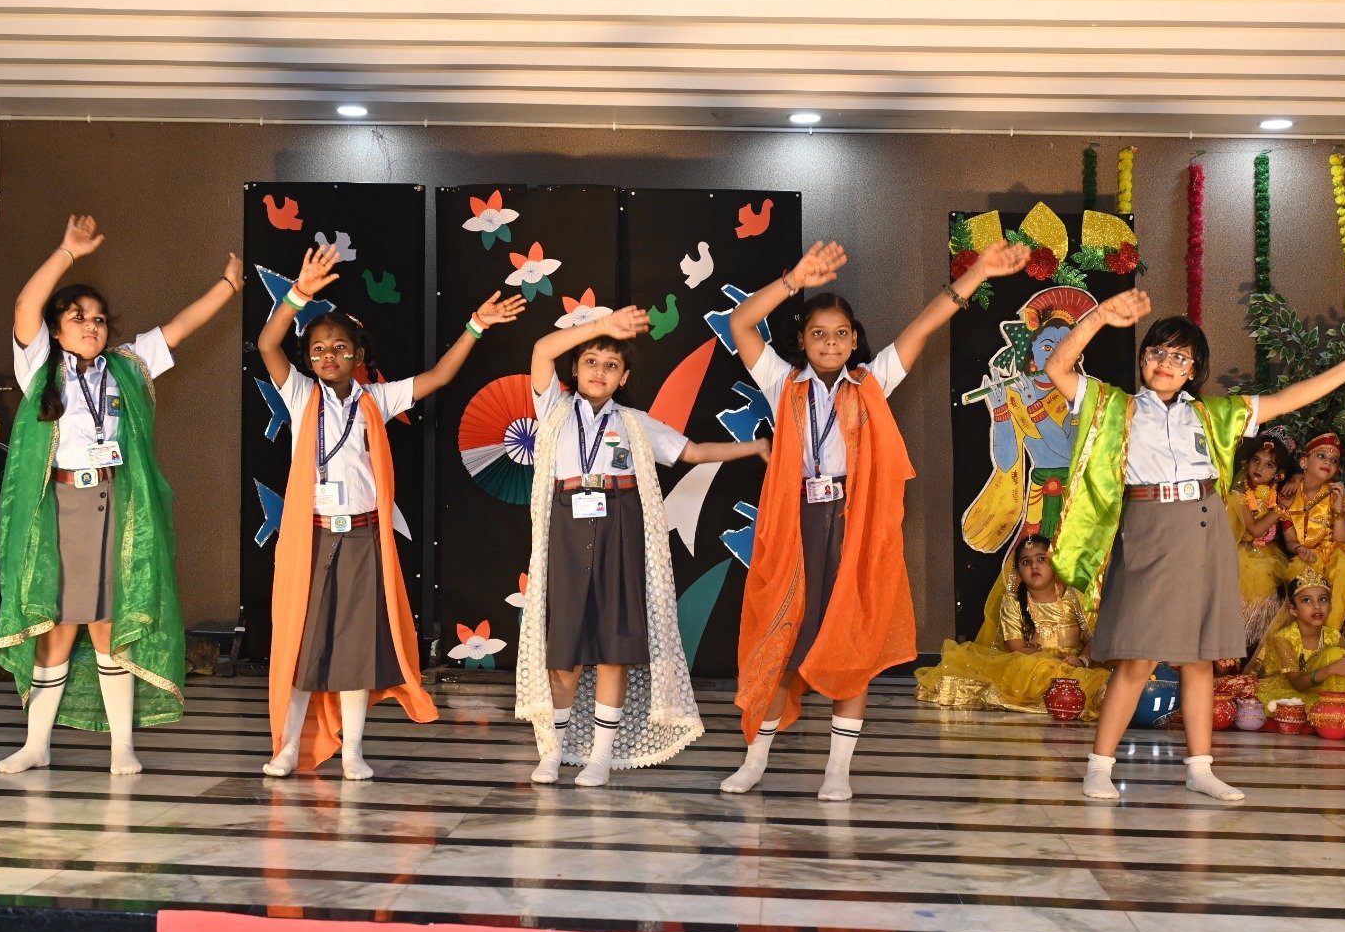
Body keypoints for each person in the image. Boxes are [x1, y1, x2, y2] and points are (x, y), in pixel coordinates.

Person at [721, 238, 1032, 801]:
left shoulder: (872, 382)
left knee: (855, 643)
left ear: (854, 339)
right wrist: (794, 281)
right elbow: (741, 323)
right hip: (794, 529)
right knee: (782, 641)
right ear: (800, 339)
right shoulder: (781, 383)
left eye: (841, 333)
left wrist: (978, 272)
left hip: (855, 526)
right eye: (819, 333)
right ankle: (755, 760)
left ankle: (837, 770)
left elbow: (924, 325)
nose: (830, 342)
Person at [1047, 293, 1345, 802]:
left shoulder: (1214, 414)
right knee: (1138, 657)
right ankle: (1099, 766)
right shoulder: (1113, 406)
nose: (1165, 362)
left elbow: (1284, 399)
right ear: (1142, 359)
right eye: (1157, 351)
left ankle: (1200, 768)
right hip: (1149, 527)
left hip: (1206, 529)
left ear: (1194, 370)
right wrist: (1099, 317)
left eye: (1179, 356)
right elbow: (1056, 367)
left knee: (1200, 658)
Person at [261, 245, 526, 779]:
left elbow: (440, 376)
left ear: (358, 355)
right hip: (312, 537)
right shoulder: (300, 395)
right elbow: (269, 343)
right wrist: (298, 295)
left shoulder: (376, 401)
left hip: (362, 538)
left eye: (340, 348)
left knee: (356, 646)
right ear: (308, 359)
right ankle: (289, 746)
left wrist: (476, 325)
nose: (328, 356)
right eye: (318, 349)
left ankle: (353, 750)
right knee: (301, 641)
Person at [0, 214, 241, 774]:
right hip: (57, 512)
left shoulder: (127, 366)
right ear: (57, 331)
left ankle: (121, 746)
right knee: (56, 628)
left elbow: (179, 328)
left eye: (99, 319)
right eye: (77, 317)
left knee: (111, 626)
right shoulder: (38, 367)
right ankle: (36, 745)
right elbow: (25, 306)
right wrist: (66, 252)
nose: (90, 326)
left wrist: (228, 286)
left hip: (115, 510)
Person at [516, 308, 769, 787]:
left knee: (614, 648)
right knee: (563, 653)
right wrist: (602, 327)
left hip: (619, 532)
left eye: (611, 365)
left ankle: (600, 758)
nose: (599, 371)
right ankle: (552, 752)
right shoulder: (553, 409)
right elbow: (542, 350)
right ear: (575, 370)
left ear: (624, 377)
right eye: (591, 361)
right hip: (566, 532)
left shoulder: (634, 423)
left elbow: (691, 452)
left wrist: (753, 448)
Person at [915, 533, 1110, 718]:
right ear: (1018, 571)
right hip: (1033, 667)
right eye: (1026, 562)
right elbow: (1017, 646)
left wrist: (1081, 661)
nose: (1034, 566)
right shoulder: (1013, 601)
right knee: (1032, 671)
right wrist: (1051, 662)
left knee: (1103, 687)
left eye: (1042, 559)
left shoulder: (1074, 596)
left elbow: (1095, 638)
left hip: (1074, 666)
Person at [1246, 572, 1345, 714]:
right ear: (1293, 610)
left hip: (1321, 693)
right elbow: (1298, 684)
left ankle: (1336, 710)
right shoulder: (1283, 638)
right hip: (1290, 693)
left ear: (1330, 606)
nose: (1317, 606)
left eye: (1322, 599)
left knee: (1337, 654)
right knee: (1335, 655)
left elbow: (1343, 675)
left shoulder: (1334, 636)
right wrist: (1332, 669)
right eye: (1306, 600)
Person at [1278, 432, 1345, 633]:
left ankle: (1331, 634)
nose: (1328, 463)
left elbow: (1341, 541)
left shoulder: (1335, 493)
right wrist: (1299, 549)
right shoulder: (1289, 492)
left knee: (1344, 563)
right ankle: (1302, 636)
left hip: (1337, 549)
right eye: (1321, 456)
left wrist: (1339, 506)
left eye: (1334, 460)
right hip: (1306, 552)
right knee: (1299, 570)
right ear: (1304, 462)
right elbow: (1290, 538)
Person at [1225, 434, 1295, 651]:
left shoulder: (1274, 492)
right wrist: (1280, 509)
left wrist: (1296, 478)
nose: (1259, 468)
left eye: (1269, 465)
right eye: (1256, 460)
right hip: (1244, 556)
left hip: (1269, 555)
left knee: (1267, 611)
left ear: (1278, 473)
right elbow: (1255, 530)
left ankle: (1256, 655)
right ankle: (1233, 654)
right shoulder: (1239, 494)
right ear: (1246, 462)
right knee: (1242, 609)